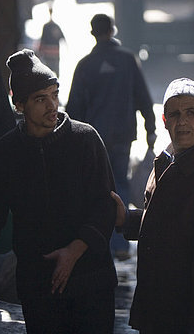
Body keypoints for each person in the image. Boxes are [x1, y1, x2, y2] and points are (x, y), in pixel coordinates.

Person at [0, 49, 117, 334]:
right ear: (19, 105)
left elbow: (106, 205)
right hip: (39, 287)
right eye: (40, 99)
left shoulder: (85, 139)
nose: (52, 105)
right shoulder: (3, 155)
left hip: (91, 281)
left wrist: (73, 252)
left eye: (54, 93)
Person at [112, 77, 194, 334]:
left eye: (191, 113)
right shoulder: (168, 162)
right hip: (160, 316)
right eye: (175, 114)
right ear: (164, 121)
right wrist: (126, 219)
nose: (182, 122)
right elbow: (170, 226)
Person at [66, 13, 156, 260]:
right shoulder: (127, 60)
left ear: (93, 33)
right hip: (123, 135)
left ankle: (101, 242)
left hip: (95, 140)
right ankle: (121, 244)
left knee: (99, 190)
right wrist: (151, 129)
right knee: (121, 184)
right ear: (112, 30)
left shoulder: (85, 65)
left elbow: (74, 108)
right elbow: (143, 98)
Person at [38, 3, 65, 76]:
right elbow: (62, 38)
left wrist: (40, 50)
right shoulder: (56, 26)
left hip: (47, 53)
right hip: (55, 53)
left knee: (48, 72)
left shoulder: (46, 26)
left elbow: (43, 39)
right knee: (56, 71)